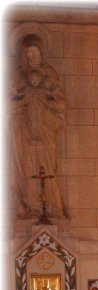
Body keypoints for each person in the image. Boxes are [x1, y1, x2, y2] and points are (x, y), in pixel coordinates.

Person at [10, 34, 67, 219]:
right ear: (24, 55)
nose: (32, 55)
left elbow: (62, 105)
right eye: (29, 52)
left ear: (42, 53)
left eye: (35, 51)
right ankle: (32, 208)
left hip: (46, 130)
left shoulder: (50, 75)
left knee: (48, 167)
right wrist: (24, 101)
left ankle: (52, 208)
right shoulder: (18, 76)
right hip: (24, 130)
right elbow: (7, 104)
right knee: (27, 168)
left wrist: (43, 102)